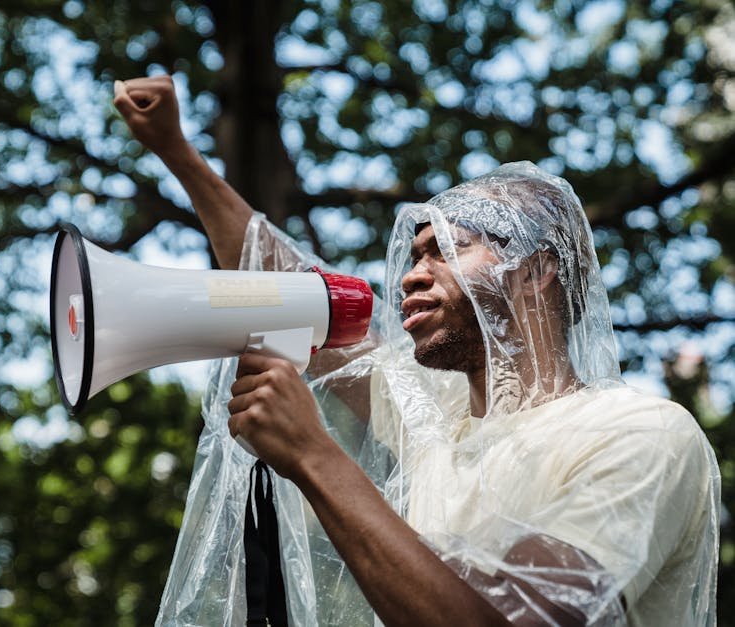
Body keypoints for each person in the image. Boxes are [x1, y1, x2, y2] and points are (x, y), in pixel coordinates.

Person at [113, 75, 720, 626]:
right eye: (414, 255)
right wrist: (180, 154)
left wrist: (314, 457)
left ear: (535, 273)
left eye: (448, 251)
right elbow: (295, 294)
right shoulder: (438, 425)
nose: (410, 275)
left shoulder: (640, 435)